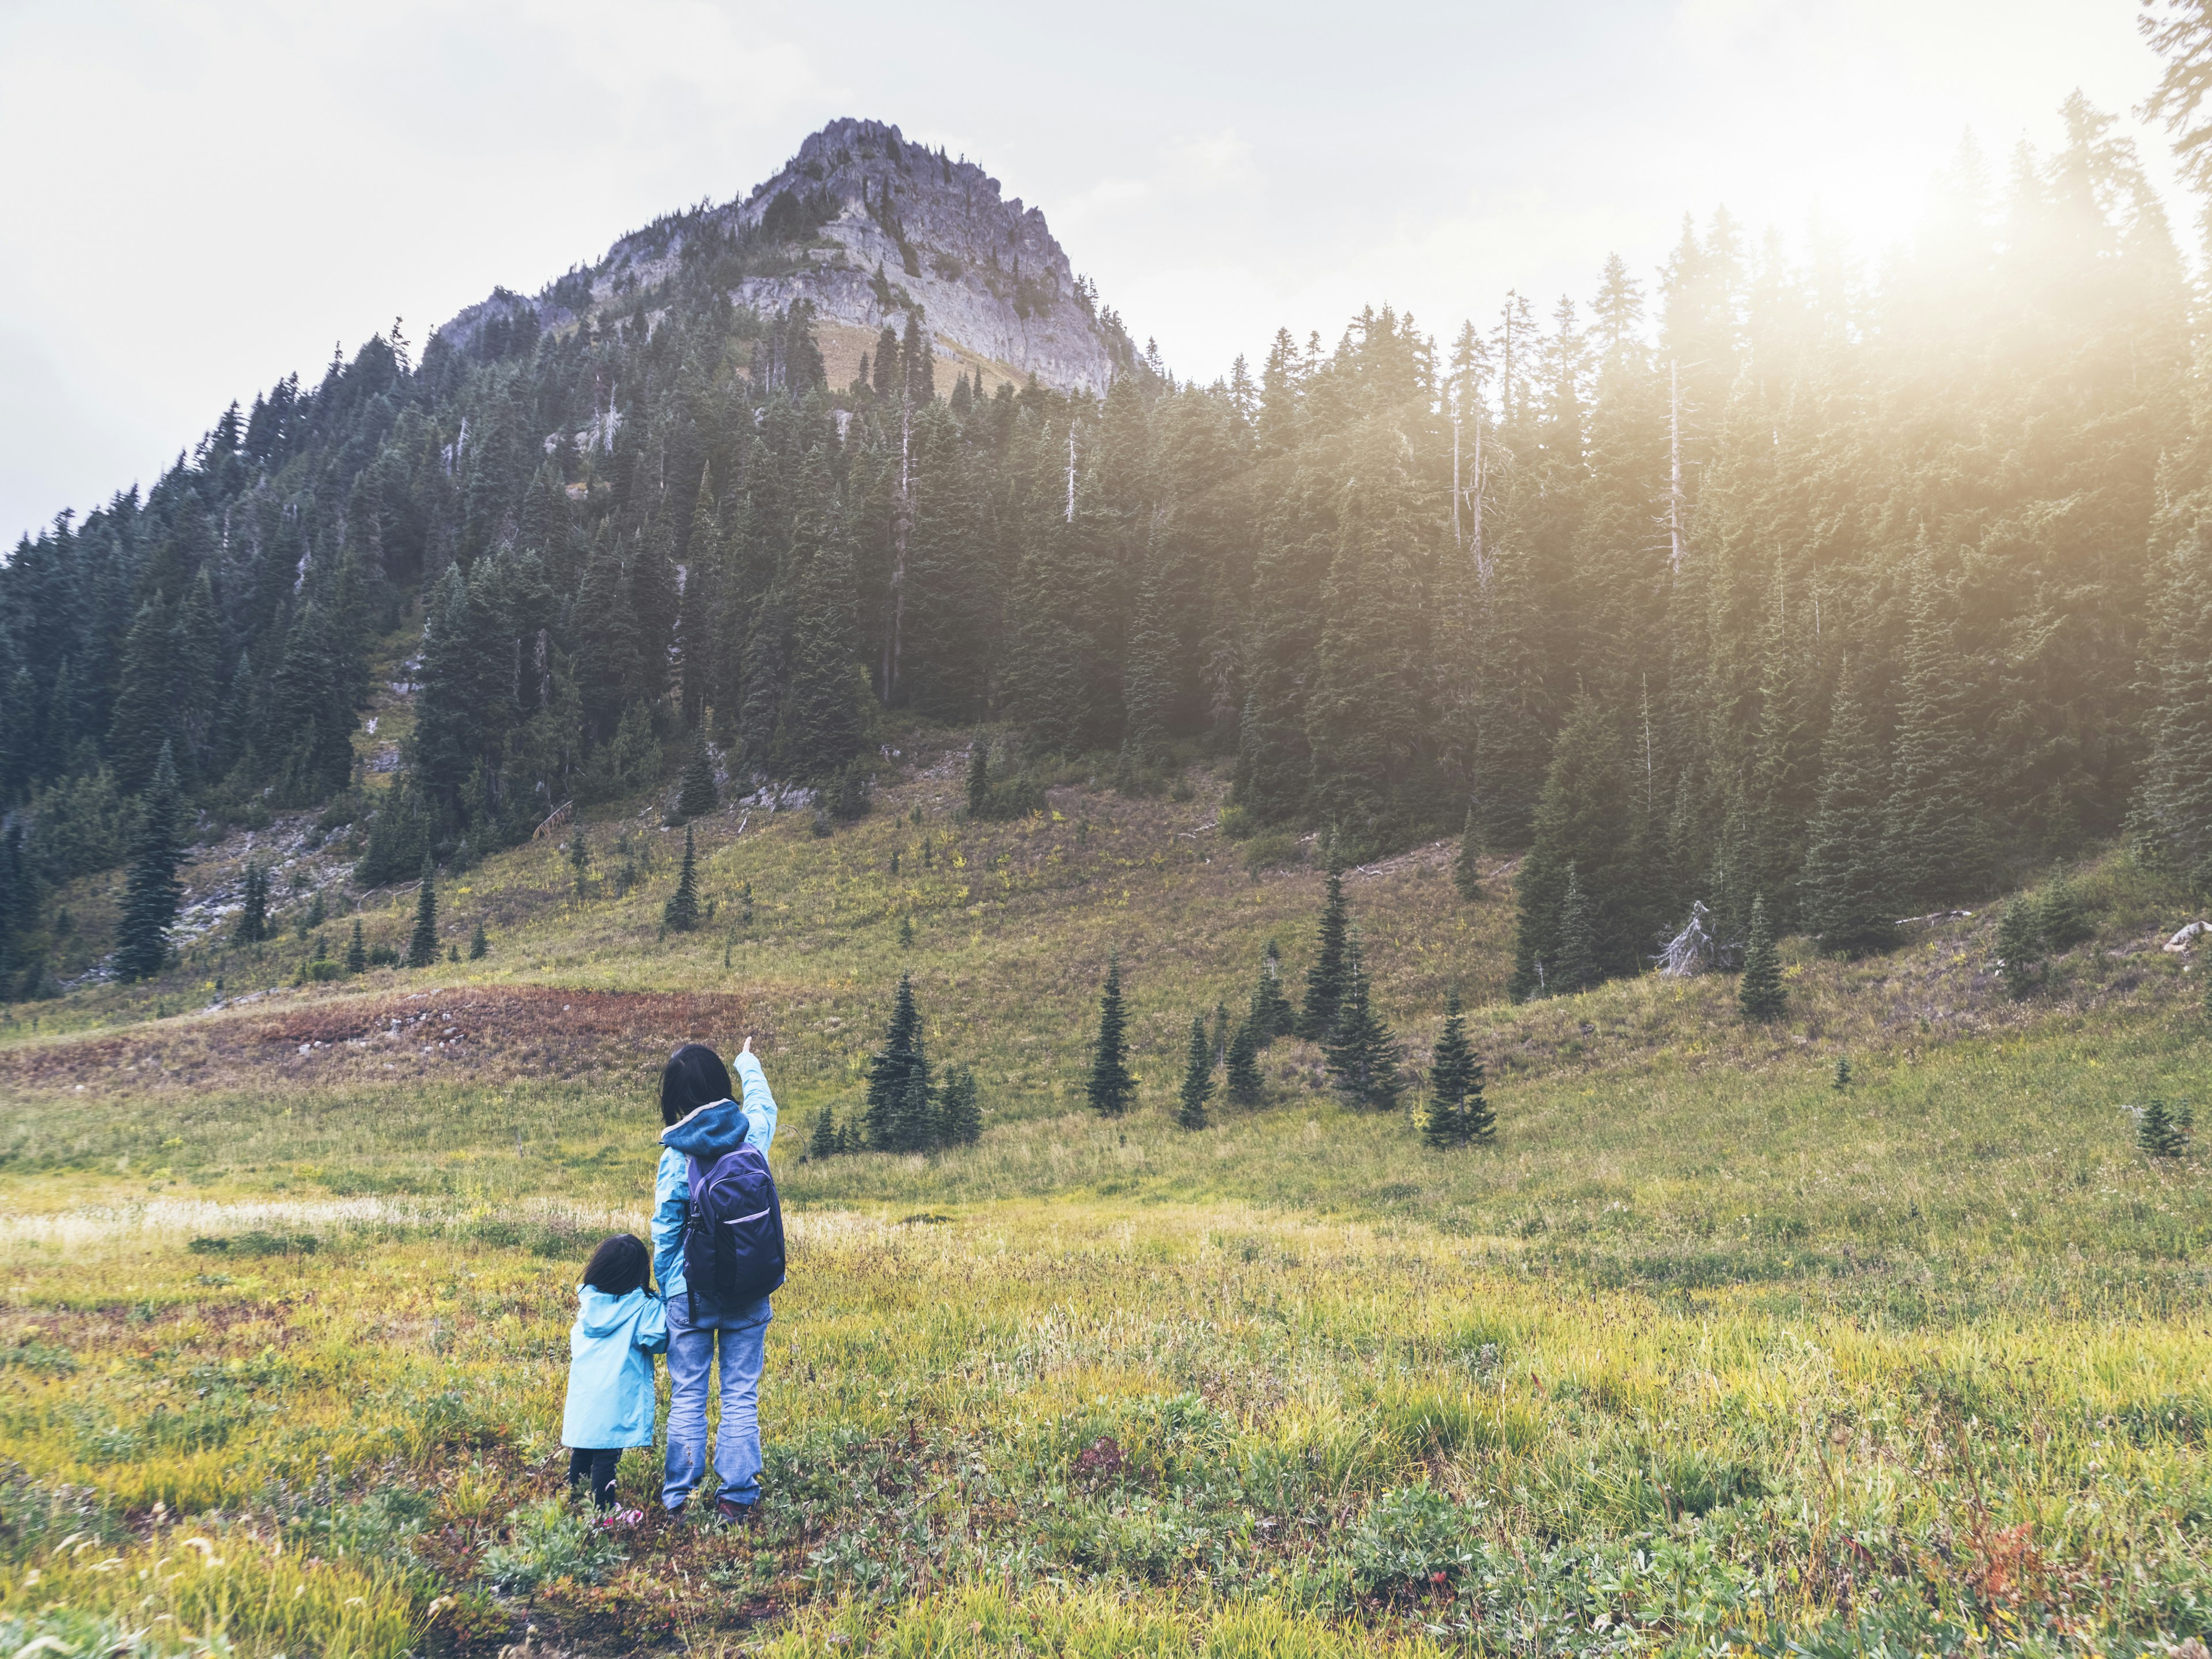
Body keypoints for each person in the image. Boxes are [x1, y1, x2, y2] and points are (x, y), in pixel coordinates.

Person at [654, 1038, 778, 1520]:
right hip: (749, 1285)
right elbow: (764, 1104)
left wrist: (669, 1290)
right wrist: (748, 1061)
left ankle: (680, 1497)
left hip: (691, 1291)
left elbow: (665, 1229)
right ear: (721, 1087)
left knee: (688, 1393)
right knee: (740, 1392)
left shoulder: (674, 1155)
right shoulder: (750, 1135)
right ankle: (737, 1497)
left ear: (676, 1101)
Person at [559, 1233, 666, 1515]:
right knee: (606, 1456)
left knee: (583, 1450)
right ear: (640, 1272)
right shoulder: (643, 1307)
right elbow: (659, 1340)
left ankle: (577, 1504)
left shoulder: (589, 1303)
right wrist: (662, 1300)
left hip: (584, 1397)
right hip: (616, 1399)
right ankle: (604, 1514)